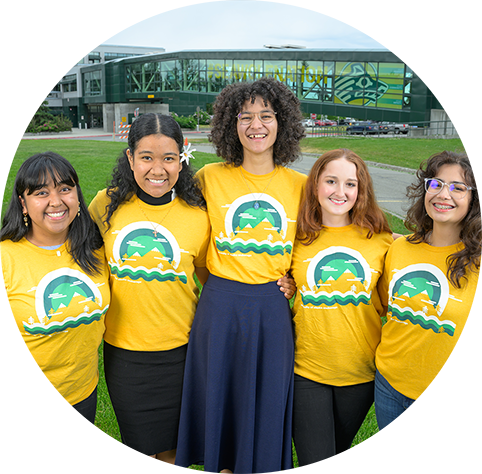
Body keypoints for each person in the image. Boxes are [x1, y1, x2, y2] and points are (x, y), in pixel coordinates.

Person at [174, 77, 307, 474]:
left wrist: (296, 281)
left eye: (266, 115)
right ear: (230, 125)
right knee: (220, 399)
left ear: (282, 122)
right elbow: (189, 235)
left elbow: (318, 245)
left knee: (266, 404)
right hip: (220, 306)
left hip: (272, 309)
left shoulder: (301, 185)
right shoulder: (208, 178)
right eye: (245, 116)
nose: (256, 125)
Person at [88, 113, 210, 474]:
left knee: (172, 452)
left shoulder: (197, 215)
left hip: (180, 354)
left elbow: (211, 276)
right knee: (138, 451)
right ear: (130, 159)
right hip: (125, 354)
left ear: (182, 158)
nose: (158, 169)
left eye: (169, 158)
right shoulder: (103, 206)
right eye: (146, 157)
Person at [0, 152, 110, 474]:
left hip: (82, 393)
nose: (56, 201)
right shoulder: (6, 257)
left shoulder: (95, 251)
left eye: (65, 188)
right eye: (41, 192)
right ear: (23, 204)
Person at [374, 151, 482, 473]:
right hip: (391, 388)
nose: (443, 194)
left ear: (474, 199)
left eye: (458, 187)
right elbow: (382, 306)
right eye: (435, 183)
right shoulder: (400, 248)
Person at [290, 149, 393, 473]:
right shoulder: (295, 238)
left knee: (335, 456)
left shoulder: (383, 242)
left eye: (350, 184)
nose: (340, 192)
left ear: (361, 190)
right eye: (331, 181)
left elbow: (395, 303)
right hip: (306, 371)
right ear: (315, 185)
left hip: (359, 374)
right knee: (317, 464)